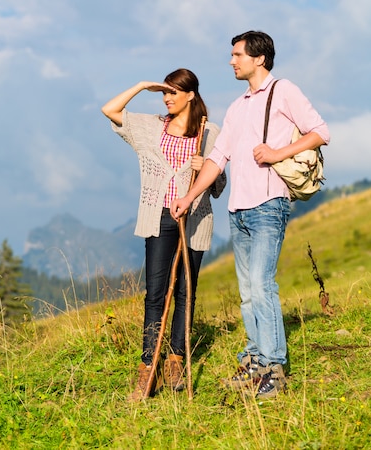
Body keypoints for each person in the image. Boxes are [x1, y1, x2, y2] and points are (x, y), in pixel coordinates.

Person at [171, 32, 330, 400]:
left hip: (268, 204)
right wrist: (190, 197)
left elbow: (321, 132)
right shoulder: (237, 106)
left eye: (237, 54)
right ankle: (255, 362)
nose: (231, 61)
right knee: (247, 293)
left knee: (261, 285)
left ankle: (274, 368)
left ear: (259, 59)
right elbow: (216, 159)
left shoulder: (283, 90)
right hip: (238, 210)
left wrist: (277, 153)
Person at [101, 68, 226, 401]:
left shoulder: (208, 133)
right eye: (164, 93)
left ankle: (176, 361)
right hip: (159, 217)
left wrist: (206, 171)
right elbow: (110, 110)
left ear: (191, 95)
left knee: (186, 292)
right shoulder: (150, 127)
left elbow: (218, 187)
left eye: (173, 92)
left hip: (195, 218)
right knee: (155, 294)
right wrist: (142, 85)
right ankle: (147, 370)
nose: (167, 98)